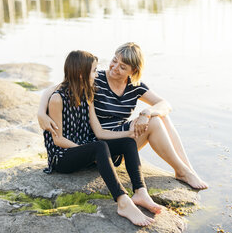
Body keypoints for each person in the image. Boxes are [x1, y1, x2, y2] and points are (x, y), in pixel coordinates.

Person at [38, 43, 208, 190]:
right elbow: (56, 88)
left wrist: (146, 113)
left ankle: (186, 169)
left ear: (133, 71)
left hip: (119, 138)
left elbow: (165, 104)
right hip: (97, 142)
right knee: (155, 122)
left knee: (160, 117)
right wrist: (40, 112)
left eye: (122, 66)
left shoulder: (135, 86)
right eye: (114, 60)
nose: (114, 67)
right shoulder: (97, 78)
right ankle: (183, 171)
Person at [43, 50, 162, 226]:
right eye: (93, 71)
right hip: (62, 157)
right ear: (82, 74)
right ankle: (122, 201)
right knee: (99, 147)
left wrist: (128, 134)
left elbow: (99, 132)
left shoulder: (87, 95)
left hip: (85, 149)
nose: (97, 74)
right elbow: (58, 140)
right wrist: (89, 152)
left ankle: (140, 191)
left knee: (127, 143)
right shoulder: (57, 99)